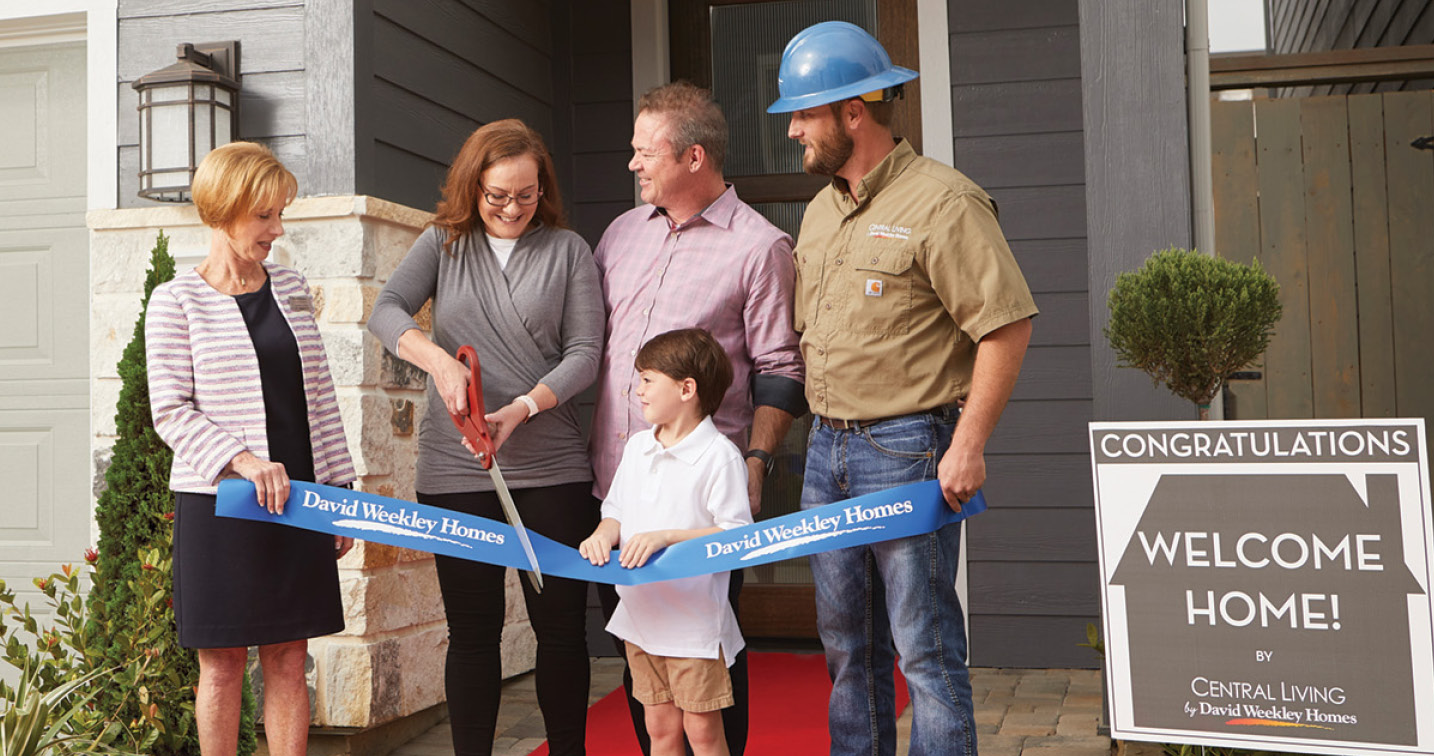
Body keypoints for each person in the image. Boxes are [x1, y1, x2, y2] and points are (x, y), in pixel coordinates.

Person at [767, 21, 1038, 756]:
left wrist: (970, 444)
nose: (793, 129)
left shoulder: (945, 203)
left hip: (910, 449)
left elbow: (1005, 327)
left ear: (854, 111)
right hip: (826, 453)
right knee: (847, 650)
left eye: (804, 113)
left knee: (923, 650)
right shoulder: (822, 211)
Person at [368, 119, 603, 756]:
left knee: (560, 633)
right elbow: (385, 310)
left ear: (542, 188)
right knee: (472, 633)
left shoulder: (567, 251)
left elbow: (585, 354)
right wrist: (439, 361)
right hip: (456, 467)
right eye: (497, 195)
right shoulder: (443, 243)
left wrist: (523, 408)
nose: (511, 209)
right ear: (473, 187)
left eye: (526, 195)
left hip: (551, 469)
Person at [590, 80, 805, 756]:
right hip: (616, 490)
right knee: (640, 659)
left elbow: (781, 369)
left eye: (644, 151)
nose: (633, 164)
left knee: (709, 665)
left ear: (693, 157)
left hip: (701, 499)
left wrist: (756, 463)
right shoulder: (620, 235)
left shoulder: (759, 246)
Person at [145, 141, 357, 756]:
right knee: (223, 662)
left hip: (299, 502)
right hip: (222, 506)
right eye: (265, 215)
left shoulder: (290, 286)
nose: (278, 229)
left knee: (291, 655)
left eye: (280, 213)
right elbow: (170, 410)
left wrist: (338, 490)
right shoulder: (176, 300)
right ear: (225, 209)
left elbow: (318, 393)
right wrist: (242, 460)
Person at [579, 328, 753, 756]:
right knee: (658, 729)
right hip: (641, 619)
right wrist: (603, 535)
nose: (637, 391)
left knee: (703, 733)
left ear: (686, 388)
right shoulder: (637, 447)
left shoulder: (720, 456)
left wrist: (667, 538)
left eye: (647, 379)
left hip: (693, 627)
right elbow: (615, 508)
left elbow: (738, 537)